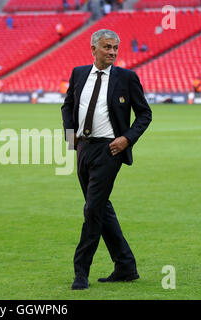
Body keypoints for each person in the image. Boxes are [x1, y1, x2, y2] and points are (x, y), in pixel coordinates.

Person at [61, 29, 152, 290]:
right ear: (93, 49)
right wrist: (71, 139)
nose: (112, 52)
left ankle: (81, 272)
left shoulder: (126, 78)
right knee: (100, 208)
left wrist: (127, 139)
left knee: (91, 210)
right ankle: (126, 266)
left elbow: (145, 114)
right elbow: (68, 106)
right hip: (83, 149)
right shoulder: (79, 74)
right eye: (107, 47)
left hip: (109, 150)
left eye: (115, 48)